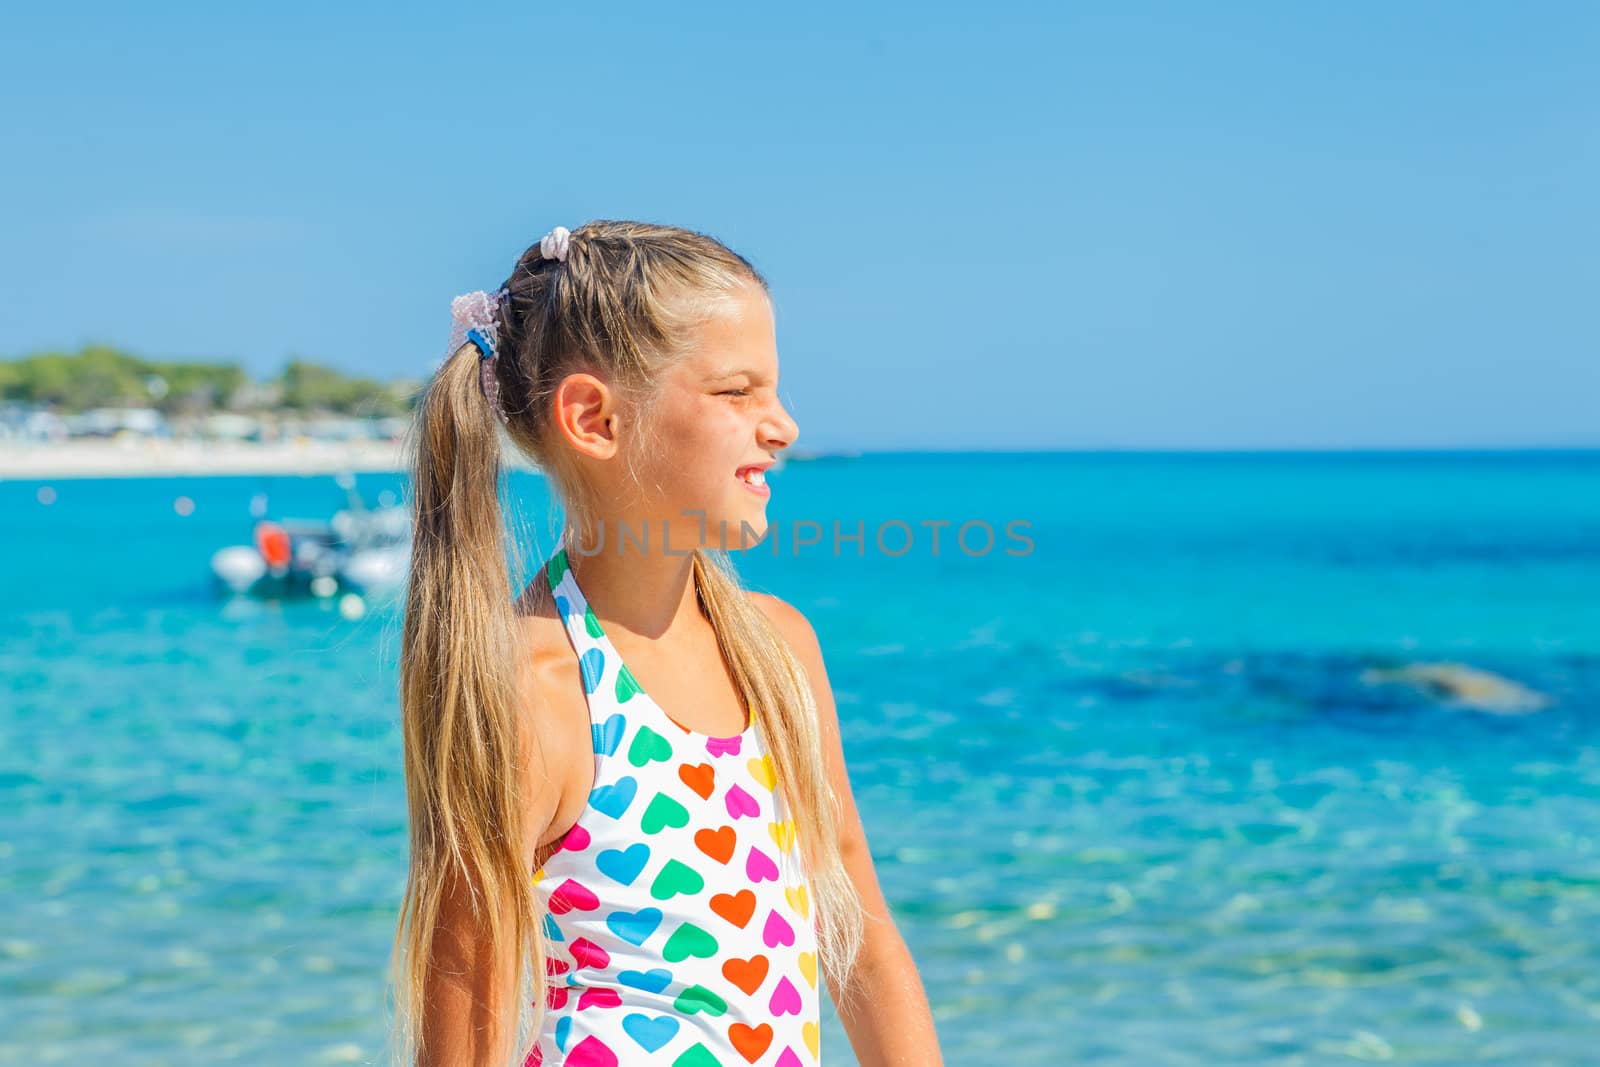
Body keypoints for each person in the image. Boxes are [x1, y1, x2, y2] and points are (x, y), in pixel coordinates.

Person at [391, 221, 943, 1066]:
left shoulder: (779, 652)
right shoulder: (537, 686)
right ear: (595, 419)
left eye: (777, 390)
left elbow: (860, 941)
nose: (784, 425)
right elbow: (463, 1018)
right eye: (737, 393)